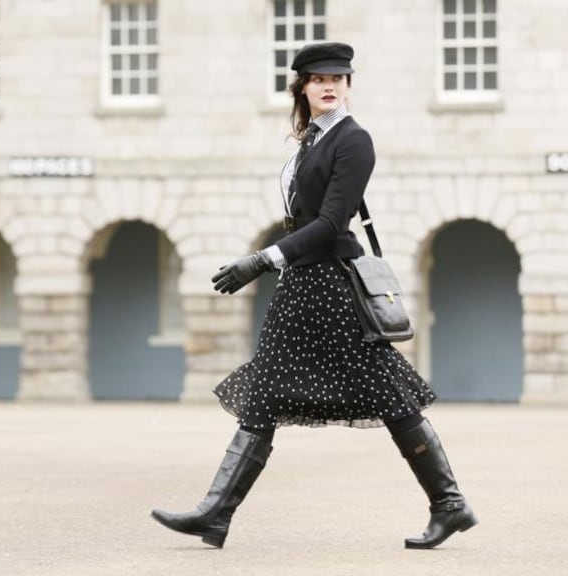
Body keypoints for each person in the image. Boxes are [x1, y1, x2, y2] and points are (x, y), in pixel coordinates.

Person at [150, 42, 477, 550]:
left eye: (339, 78)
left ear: (349, 85)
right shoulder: (309, 140)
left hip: (330, 285)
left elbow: (329, 223)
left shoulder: (354, 140)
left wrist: (261, 260)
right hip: (302, 283)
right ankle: (216, 512)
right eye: (319, 78)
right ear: (300, 85)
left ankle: (450, 503)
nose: (330, 85)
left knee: (387, 391)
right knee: (265, 389)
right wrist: (278, 265)